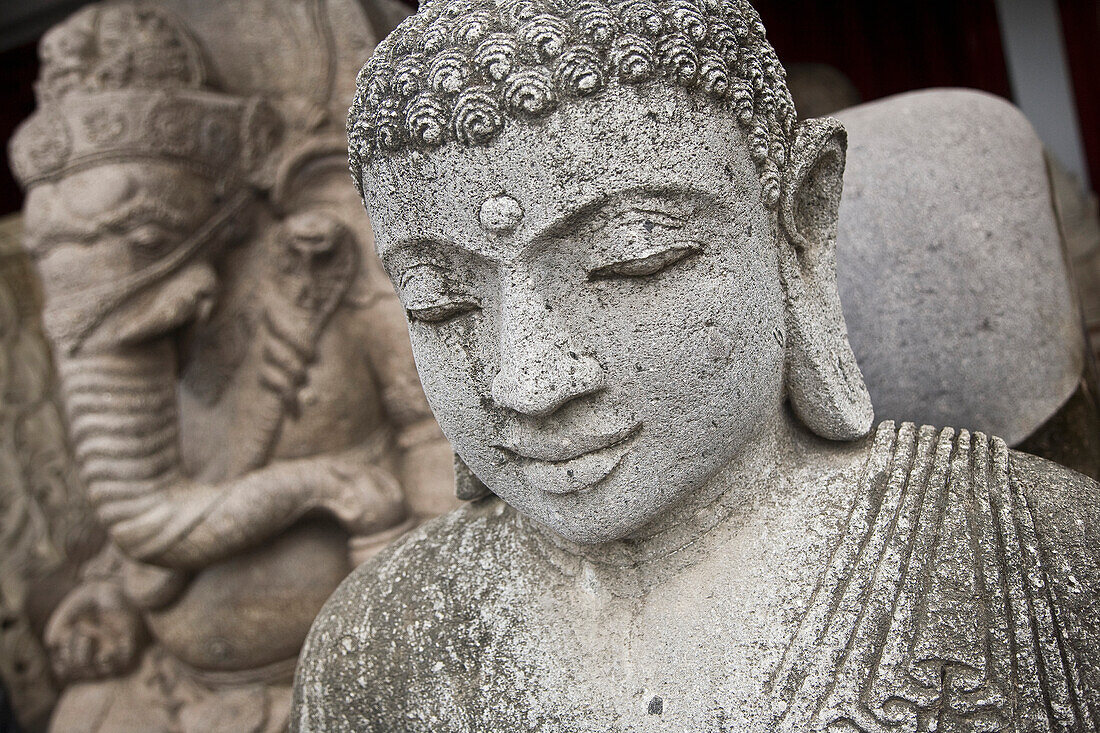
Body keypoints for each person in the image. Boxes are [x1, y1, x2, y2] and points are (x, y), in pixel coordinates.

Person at [293, 0, 1100, 730]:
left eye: (630, 261)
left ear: (800, 219)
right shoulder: (374, 643)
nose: (529, 382)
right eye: (442, 303)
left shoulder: (1041, 557)